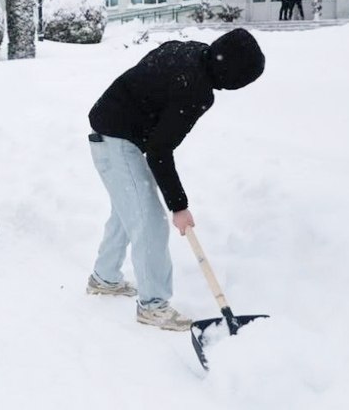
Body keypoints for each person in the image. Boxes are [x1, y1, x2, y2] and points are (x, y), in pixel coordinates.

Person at [86, 28, 265, 331]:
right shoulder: (195, 90)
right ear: (233, 77)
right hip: (117, 138)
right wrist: (179, 207)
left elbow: (147, 79)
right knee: (149, 220)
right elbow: (159, 150)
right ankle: (153, 305)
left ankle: (104, 278)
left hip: (114, 128)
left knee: (128, 212)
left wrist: (143, 122)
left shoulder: (193, 52)